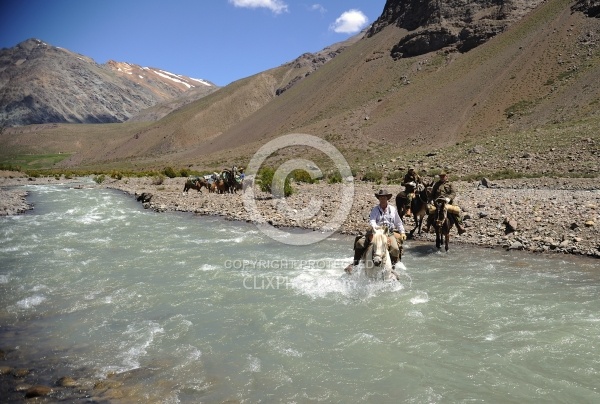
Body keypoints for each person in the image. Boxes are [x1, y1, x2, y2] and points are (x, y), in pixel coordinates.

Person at [346, 189, 406, 274]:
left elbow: (398, 222)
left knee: (395, 248)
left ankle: (393, 268)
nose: (382, 200)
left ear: (387, 198)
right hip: (376, 232)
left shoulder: (393, 210)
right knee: (360, 243)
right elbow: (372, 221)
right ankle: (355, 264)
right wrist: (377, 228)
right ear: (379, 199)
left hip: (388, 232)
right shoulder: (375, 210)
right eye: (380, 198)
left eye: (384, 198)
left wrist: (402, 232)